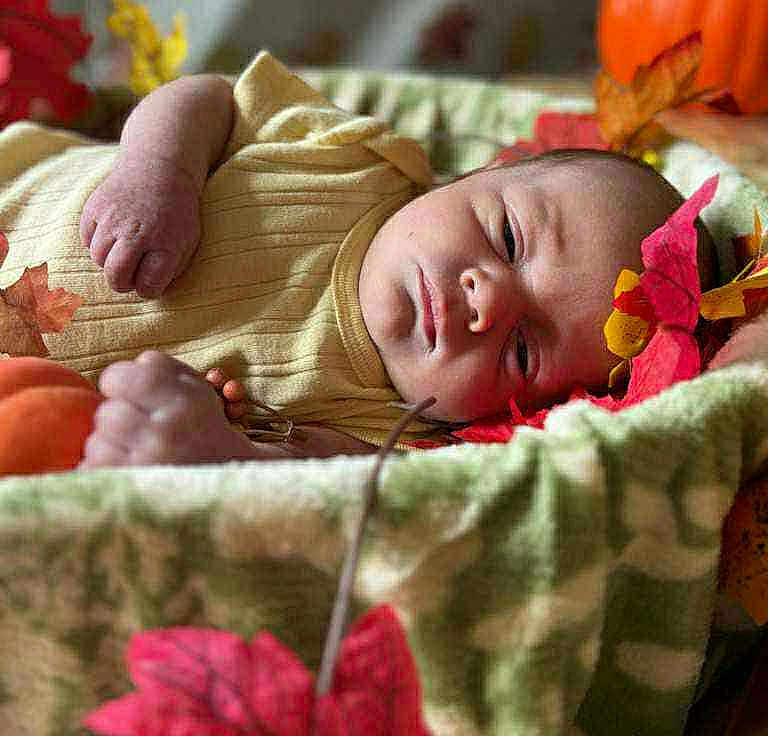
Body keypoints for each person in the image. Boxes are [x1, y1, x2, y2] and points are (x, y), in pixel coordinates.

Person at [0, 51, 749, 468]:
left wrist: (217, 445)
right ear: (467, 177)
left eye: (523, 350)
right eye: (510, 241)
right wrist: (157, 170)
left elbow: (293, 483)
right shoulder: (354, 158)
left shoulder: (389, 432)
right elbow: (210, 97)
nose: (487, 302)